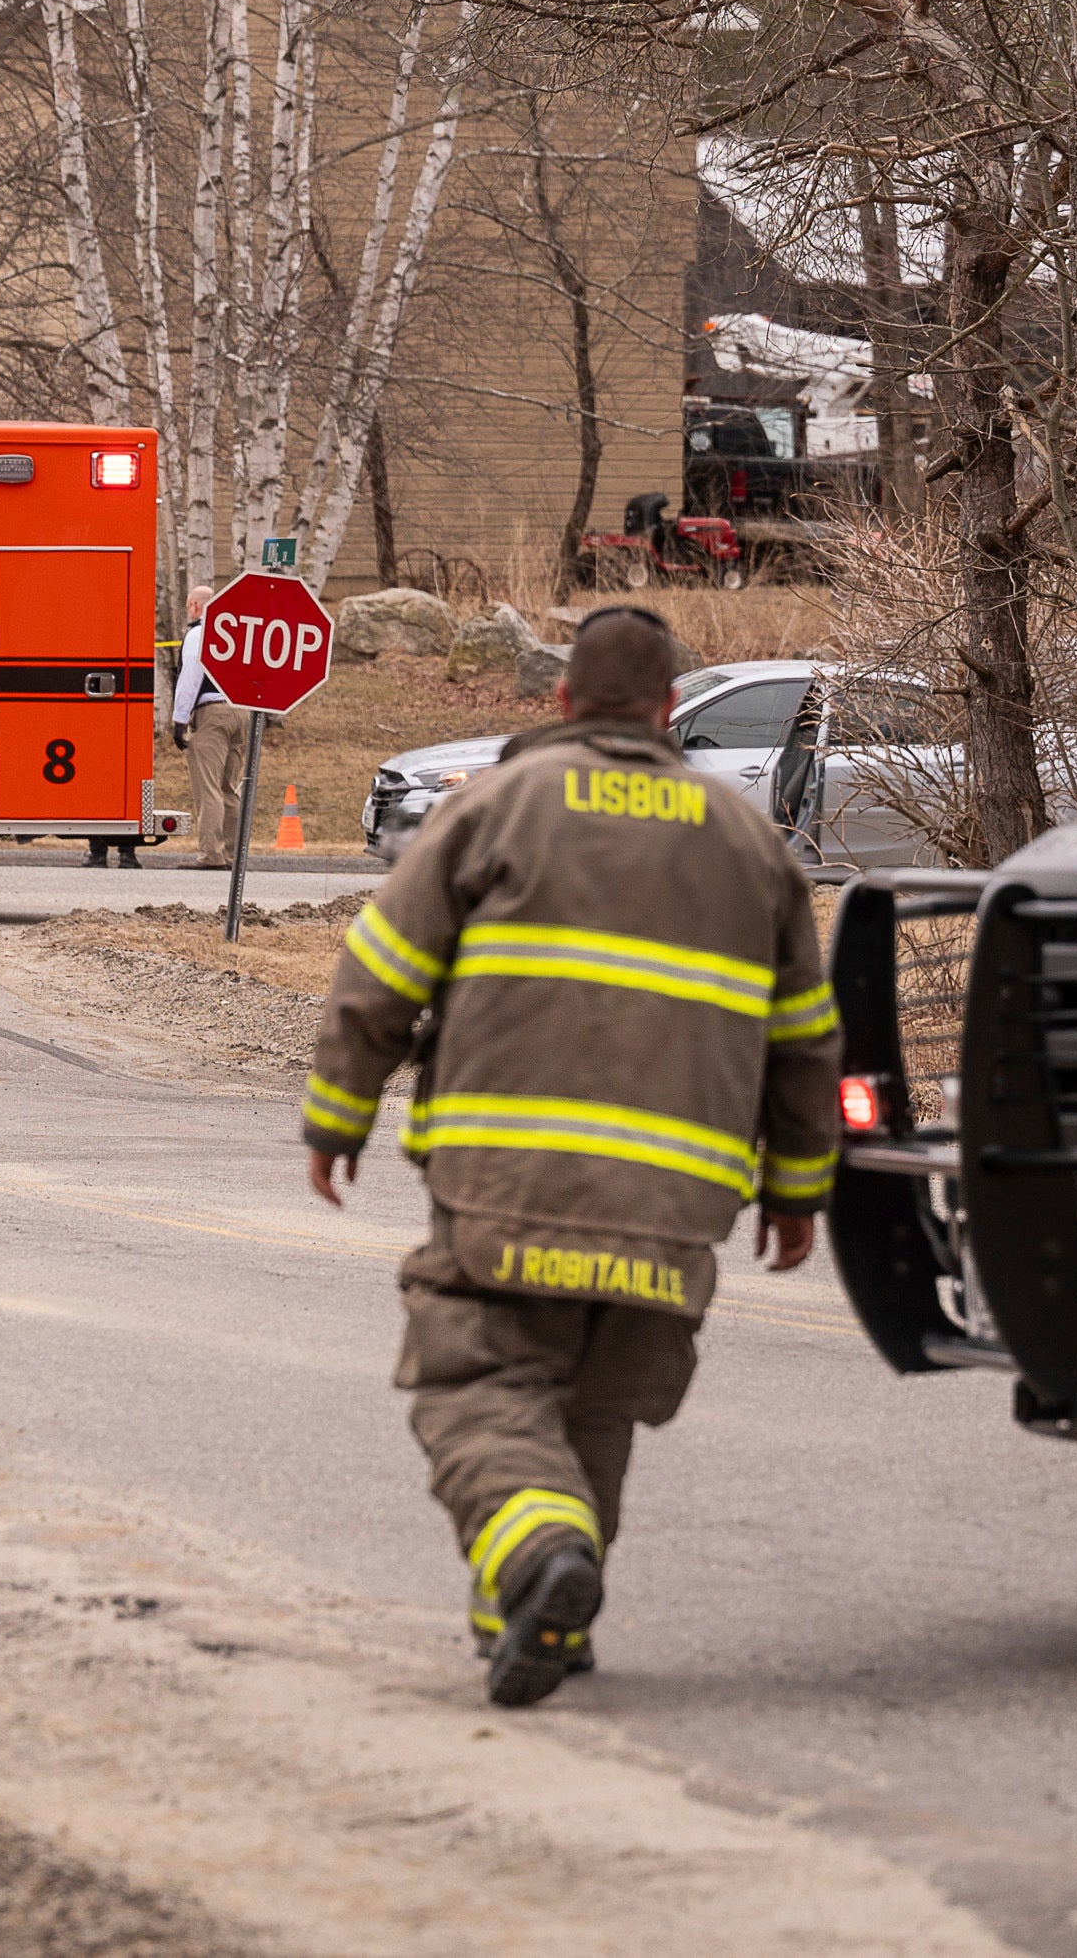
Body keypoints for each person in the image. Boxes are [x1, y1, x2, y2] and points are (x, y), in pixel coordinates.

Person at [298, 605, 839, 1708]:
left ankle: (538, 1562)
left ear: (558, 701)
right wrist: (795, 1191)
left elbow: (380, 971)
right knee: (594, 1408)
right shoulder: (747, 844)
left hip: (507, 1188)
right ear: (668, 712)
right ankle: (539, 1619)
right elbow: (801, 1037)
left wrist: (337, 1115)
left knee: (478, 1384)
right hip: (674, 1207)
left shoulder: (496, 806)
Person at [170, 585, 249, 869]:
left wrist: (180, 720)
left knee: (209, 788)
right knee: (229, 788)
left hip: (211, 713)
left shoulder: (198, 633)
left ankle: (211, 855)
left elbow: (190, 675)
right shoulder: (238, 633)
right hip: (241, 711)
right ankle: (231, 854)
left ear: (194, 605)